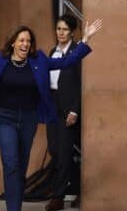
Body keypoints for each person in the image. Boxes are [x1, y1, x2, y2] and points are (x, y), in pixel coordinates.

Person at [0, 15, 102, 211]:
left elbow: (67, 62)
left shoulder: (40, 61)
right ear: (12, 43)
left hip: (29, 119)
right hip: (5, 118)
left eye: (28, 41)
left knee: (21, 168)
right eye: (21, 40)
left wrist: (85, 39)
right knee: (11, 164)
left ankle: (15, 206)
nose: (25, 44)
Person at [45, 14, 81, 211]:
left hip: (68, 108)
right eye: (58, 29)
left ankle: (58, 197)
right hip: (52, 105)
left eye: (65, 29)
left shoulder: (76, 52)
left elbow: (80, 84)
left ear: (72, 32)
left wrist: (75, 110)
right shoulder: (52, 52)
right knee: (54, 150)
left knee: (65, 152)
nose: (60, 33)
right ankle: (77, 187)